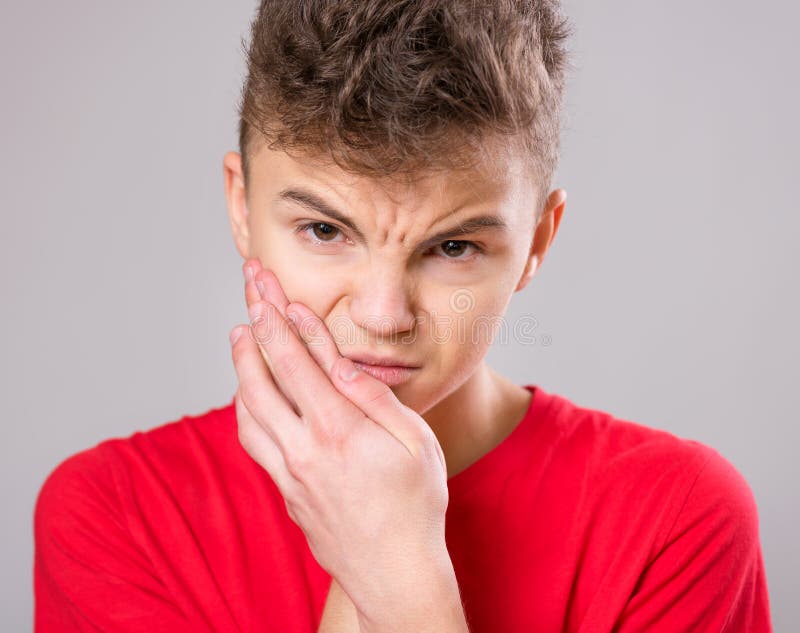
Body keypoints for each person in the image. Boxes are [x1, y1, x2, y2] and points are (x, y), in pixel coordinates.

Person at [33, 1, 773, 631]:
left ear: (537, 242)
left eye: (452, 246)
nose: (384, 316)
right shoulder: (113, 518)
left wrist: (400, 576)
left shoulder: (676, 523)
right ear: (240, 206)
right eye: (325, 231)